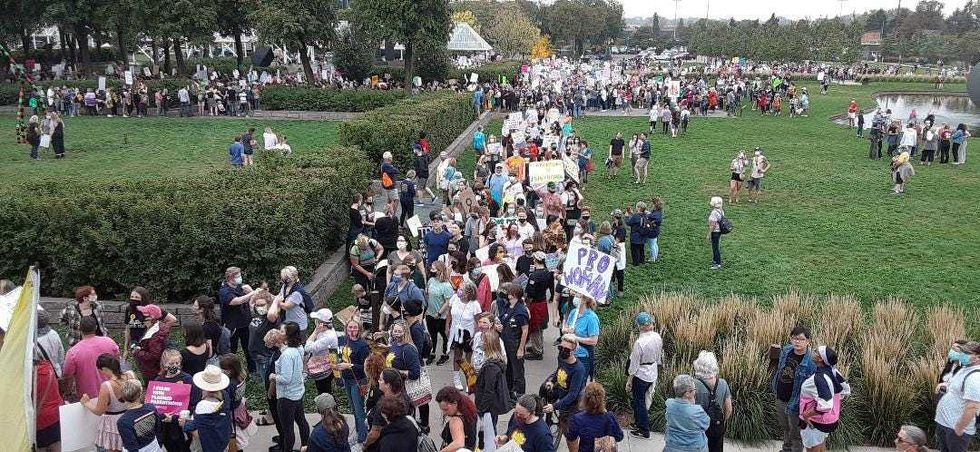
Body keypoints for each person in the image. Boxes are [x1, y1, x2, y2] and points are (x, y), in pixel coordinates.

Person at [771, 326, 816, 452]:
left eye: (801, 339)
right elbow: (779, 368)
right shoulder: (786, 350)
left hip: (796, 403)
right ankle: (786, 449)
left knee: (796, 433)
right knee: (786, 428)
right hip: (780, 397)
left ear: (808, 341)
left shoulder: (811, 363)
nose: (797, 342)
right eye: (795, 338)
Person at [798, 346, 851, 452]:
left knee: (812, 449)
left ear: (820, 358)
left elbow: (825, 406)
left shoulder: (818, 379)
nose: (813, 351)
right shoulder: (834, 372)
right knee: (821, 445)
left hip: (814, 421)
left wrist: (806, 415)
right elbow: (846, 390)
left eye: (816, 351)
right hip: (829, 419)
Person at [272, 322, 311, 452]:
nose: (279, 333)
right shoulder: (298, 348)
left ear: (288, 335)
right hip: (297, 392)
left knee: (287, 429)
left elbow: (286, 378)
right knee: (301, 421)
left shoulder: (287, 355)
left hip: (286, 396)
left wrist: (273, 377)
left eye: (282, 332)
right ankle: (305, 446)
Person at [934, 341, 980, 451]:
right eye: (962, 351)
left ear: (978, 357)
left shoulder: (975, 377)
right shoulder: (965, 369)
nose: (962, 355)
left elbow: (972, 406)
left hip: (955, 428)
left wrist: (960, 427)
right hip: (946, 424)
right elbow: (956, 386)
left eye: (967, 353)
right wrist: (945, 384)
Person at [82, 354, 131, 452]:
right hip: (129, 417)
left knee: (114, 448)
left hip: (114, 424)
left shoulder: (106, 386)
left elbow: (99, 411)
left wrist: (87, 403)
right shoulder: (130, 375)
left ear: (104, 369)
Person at [218, 266, 262, 373]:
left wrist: (251, 291)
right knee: (230, 350)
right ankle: (231, 370)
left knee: (249, 347)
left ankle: (252, 370)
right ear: (230, 278)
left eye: (240, 275)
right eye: (238, 276)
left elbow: (254, 299)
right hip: (231, 325)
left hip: (245, 323)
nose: (240, 278)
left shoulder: (241, 286)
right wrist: (252, 293)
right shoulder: (224, 291)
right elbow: (236, 301)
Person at [627, 312, 662, 439]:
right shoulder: (657, 337)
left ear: (640, 326)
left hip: (641, 374)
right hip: (652, 371)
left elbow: (634, 363)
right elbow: (659, 356)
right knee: (645, 399)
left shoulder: (639, 342)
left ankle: (643, 429)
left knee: (639, 401)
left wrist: (630, 379)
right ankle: (638, 422)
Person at [181, 365, 232, 452]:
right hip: (222, 439)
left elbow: (192, 427)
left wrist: (184, 423)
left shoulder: (203, 405)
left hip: (206, 443)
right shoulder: (225, 395)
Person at [541, 334, 588, 426]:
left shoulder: (578, 369)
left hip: (572, 402)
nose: (562, 351)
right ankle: (548, 420)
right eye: (560, 348)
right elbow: (559, 369)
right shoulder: (561, 358)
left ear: (574, 351)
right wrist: (552, 381)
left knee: (569, 432)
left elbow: (573, 395)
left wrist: (554, 406)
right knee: (543, 389)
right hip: (561, 390)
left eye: (566, 350)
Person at [153, 349, 194, 452]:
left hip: (182, 424)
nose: (174, 365)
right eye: (171, 363)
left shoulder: (187, 379)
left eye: (177, 363)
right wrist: (163, 416)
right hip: (165, 427)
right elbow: (155, 405)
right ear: (164, 364)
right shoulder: (158, 381)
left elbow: (193, 403)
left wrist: (176, 418)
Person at [336, 318, 370, 443]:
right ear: (346, 329)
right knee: (354, 409)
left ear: (359, 329)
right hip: (347, 380)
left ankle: (363, 438)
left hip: (359, 381)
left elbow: (366, 368)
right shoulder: (343, 341)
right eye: (350, 327)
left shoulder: (363, 345)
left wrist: (349, 366)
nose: (352, 330)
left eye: (355, 327)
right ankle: (359, 432)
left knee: (360, 410)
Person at [565, 382, 623, 452]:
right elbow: (619, 437)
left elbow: (571, 438)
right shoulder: (609, 417)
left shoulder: (578, 418)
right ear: (602, 399)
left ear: (584, 399)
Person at [475, 328, 510, 446]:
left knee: (488, 434)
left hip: (488, 407)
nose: (481, 343)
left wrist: (481, 409)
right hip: (492, 406)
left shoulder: (490, 367)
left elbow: (488, 390)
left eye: (483, 341)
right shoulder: (497, 362)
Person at [693, 351, 732, 452]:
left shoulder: (693, 385)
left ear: (698, 366)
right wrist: (721, 422)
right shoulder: (723, 384)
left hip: (698, 430)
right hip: (716, 429)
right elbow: (728, 410)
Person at [448, 278, 482, 390]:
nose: (459, 291)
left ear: (468, 293)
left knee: (468, 357)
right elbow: (449, 314)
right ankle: (456, 378)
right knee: (457, 355)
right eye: (459, 289)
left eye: (461, 289)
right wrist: (447, 328)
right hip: (456, 332)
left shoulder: (475, 305)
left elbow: (478, 321)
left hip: (469, 333)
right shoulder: (454, 299)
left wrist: (476, 336)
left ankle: (469, 379)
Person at [664, 374, 710, 452]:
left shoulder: (669, 404)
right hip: (694, 448)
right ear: (688, 393)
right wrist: (692, 404)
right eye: (694, 389)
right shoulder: (697, 410)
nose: (695, 391)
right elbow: (706, 425)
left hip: (672, 446)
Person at [123, 287, 177, 351]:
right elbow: (128, 328)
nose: (133, 299)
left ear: (143, 298)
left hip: (150, 343)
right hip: (135, 343)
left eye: (137, 297)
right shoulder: (129, 309)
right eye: (132, 297)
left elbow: (172, 319)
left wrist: (162, 331)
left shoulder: (151, 309)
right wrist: (125, 348)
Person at [116, 379, 162, 452]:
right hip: (154, 445)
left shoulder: (123, 421)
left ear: (123, 397)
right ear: (140, 393)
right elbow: (158, 428)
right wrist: (159, 444)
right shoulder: (151, 407)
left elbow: (131, 445)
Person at [34, 344, 65, 452]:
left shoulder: (31, 376)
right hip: (56, 415)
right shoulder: (49, 367)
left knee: (41, 447)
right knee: (56, 445)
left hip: (40, 419)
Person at [524, 252, 553, 361]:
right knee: (540, 326)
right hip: (543, 302)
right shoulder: (547, 272)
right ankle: (539, 346)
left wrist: (526, 302)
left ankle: (537, 351)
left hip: (535, 304)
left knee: (534, 327)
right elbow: (551, 287)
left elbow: (530, 293)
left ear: (535, 260)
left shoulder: (534, 275)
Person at [563, 294, 599, 380]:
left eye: (578, 296)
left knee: (579, 383)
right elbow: (567, 327)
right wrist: (566, 330)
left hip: (581, 356)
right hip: (568, 352)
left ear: (585, 300)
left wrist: (575, 337)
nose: (575, 297)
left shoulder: (591, 318)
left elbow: (594, 341)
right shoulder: (573, 312)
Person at [426, 261, 454, 365]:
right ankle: (433, 352)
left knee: (443, 334)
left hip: (441, 315)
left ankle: (444, 354)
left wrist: (439, 313)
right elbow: (428, 295)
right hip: (430, 313)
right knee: (432, 334)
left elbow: (447, 302)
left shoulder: (446, 285)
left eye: (434, 269)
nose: (431, 271)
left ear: (439, 271)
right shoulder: (431, 280)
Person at [133, 304, 171, 381]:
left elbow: (153, 356)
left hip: (153, 372)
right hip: (151, 370)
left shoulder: (156, 335)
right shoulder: (153, 328)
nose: (141, 318)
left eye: (144, 316)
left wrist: (137, 352)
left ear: (152, 318)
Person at [307, 308, 339, 395]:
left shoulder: (327, 337)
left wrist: (315, 332)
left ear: (320, 323)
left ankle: (329, 407)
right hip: (325, 365)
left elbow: (308, 347)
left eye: (316, 320)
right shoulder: (325, 331)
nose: (314, 321)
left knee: (324, 393)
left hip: (324, 369)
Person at [436, 386, 478, 452]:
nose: (444, 413)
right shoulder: (469, 410)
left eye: (446, 409)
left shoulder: (455, 421)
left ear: (455, 403)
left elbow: (459, 443)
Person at [276, 266, 310, 331]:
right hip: (289, 322)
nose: (282, 279)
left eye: (285, 278)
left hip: (299, 325)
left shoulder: (297, 292)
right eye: (282, 277)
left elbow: (287, 306)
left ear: (292, 278)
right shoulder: (285, 286)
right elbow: (280, 296)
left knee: (300, 340)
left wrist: (275, 301)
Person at [625, 202, 648, 266]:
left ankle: (636, 263)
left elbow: (629, 223)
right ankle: (642, 261)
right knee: (641, 249)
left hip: (635, 236)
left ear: (639, 208)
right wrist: (632, 213)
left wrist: (627, 216)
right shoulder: (645, 215)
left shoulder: (635, 216)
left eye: (637, 206)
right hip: (643, 236)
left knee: (635, 250)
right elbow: (638, 219)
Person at [707, 197, 725, 270]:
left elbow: (713, 225)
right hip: (719, 231)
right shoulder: (721, 211)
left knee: (715, 248)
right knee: (716, 246)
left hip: (715, 232)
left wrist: (708, 234)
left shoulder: (714, 212)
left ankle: (717, 263)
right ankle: (715, 260)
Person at [646, 197, 664, 263]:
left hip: (652, 231)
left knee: (651, 245)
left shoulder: (656, 214)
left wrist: (648, 216)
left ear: (655, 205)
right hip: (656, 231)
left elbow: (652, 217)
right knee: (654, 244)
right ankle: (655, 256)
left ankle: (652, 258)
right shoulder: (657, 212)